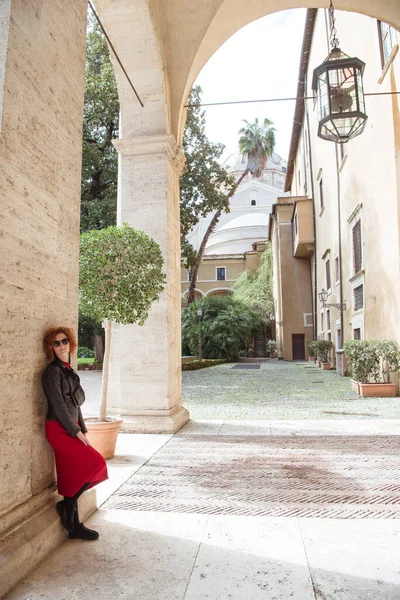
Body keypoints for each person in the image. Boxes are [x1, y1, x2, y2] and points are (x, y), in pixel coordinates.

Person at [42, 326, 108, 541]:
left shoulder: (69, 369)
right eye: (56, 343)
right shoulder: (52, 371)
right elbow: (59, 405)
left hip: (72, 428)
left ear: (70, 343)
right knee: (97, 463)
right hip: (59, 429)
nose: (61, 346)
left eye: (64, 341)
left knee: (71, 475)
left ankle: (74, 526)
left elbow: (77, 405)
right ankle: (68, 504)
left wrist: (83, 429)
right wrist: (75, 431)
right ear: (50, 347)